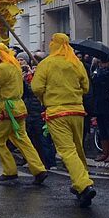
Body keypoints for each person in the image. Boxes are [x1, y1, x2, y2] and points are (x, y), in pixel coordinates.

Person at [31, 34, 96, 207]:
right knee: (77, 148)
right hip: (77, 111)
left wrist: (44, 98)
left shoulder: (47, 63)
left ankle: (83, 185)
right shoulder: (76, 62)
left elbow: (36, 87)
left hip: (57, 112)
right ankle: (81, 180)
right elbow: (86, 86)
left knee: (67, 151)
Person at [0, 43, 48, 184]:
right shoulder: (14, 66)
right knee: (22, 139)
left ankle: (10, 170)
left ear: (0, 54)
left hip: (6, 109)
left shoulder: (3, 68)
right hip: (17, 107)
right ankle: (39, 169)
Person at [21, 54, 55, 170]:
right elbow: (24, 93)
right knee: (31, 138)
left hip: (40, 110)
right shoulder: (29, 78)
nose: (34, 69)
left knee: (43, 138)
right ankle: (33, 161)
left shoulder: (45, 77)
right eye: (33, 67)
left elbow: (36, 90)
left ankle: (49, 162)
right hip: (29, 110)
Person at [91, 57, 109, 162]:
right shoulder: (96, 72)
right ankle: (105, 152)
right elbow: (94, 83)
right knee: (102, 129)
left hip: (108, 103)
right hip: (99, 103)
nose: (102, 64)